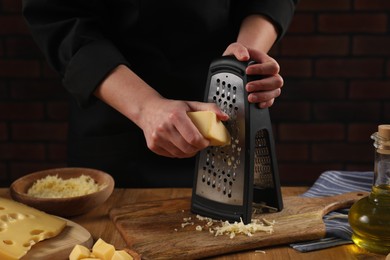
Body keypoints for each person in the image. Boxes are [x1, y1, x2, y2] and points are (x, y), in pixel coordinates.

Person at [22, 0, 299, 187]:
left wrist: (241, 61)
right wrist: (146, 107)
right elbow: (57, 15)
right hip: (118, 124)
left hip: (227, 116)